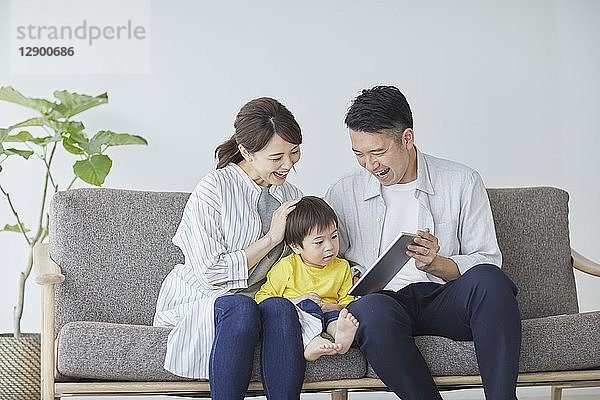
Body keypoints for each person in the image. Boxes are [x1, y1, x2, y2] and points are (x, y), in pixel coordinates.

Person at [324, 86, 521, 400]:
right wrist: (356, 279)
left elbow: (487, 259)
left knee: (491, 281)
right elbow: (328, 259)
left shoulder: (461, 181)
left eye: (377, 152)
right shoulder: (342, 192)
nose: (369, 165)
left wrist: (437, 263)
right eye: (359, 154)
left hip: (442, 298)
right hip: (383, 305)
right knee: (371, 310)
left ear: (406, 139)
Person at [153, 97, 306, 400]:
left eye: (295, 152)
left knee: (280, 307)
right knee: (241, 306)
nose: (288, 164)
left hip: (261, 299)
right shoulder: (214, 189)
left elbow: (298, 261)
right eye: (277, 157)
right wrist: (271, 238)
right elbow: (211, 273)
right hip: (207, 299)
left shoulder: (290, 193)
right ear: (246, 152)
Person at [254, 196, 360, 361]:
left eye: (334, 236)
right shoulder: (287, 267)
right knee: (307, 307)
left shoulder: (342, 267)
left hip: (328, 312)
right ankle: (312, 341)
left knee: (338, 317)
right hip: (301, 313)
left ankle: (340, 335)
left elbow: (347, 301)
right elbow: (262, 299)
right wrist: (297, 300)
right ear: (296, 246)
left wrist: (330, 306)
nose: (330, 247)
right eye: (319, 242)